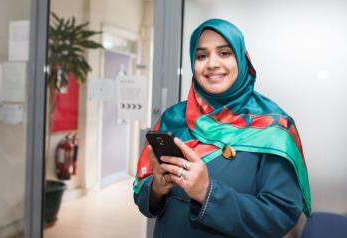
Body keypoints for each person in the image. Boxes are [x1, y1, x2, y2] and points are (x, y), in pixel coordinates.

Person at [133, 18, 311, 238]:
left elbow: (280, 215)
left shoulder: (273, 127)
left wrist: (207, 193)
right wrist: (157, 189)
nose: (212, 64)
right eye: (201, 55)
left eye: (224, 53)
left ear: (242, 59)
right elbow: (141, 194)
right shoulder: (173, 118)